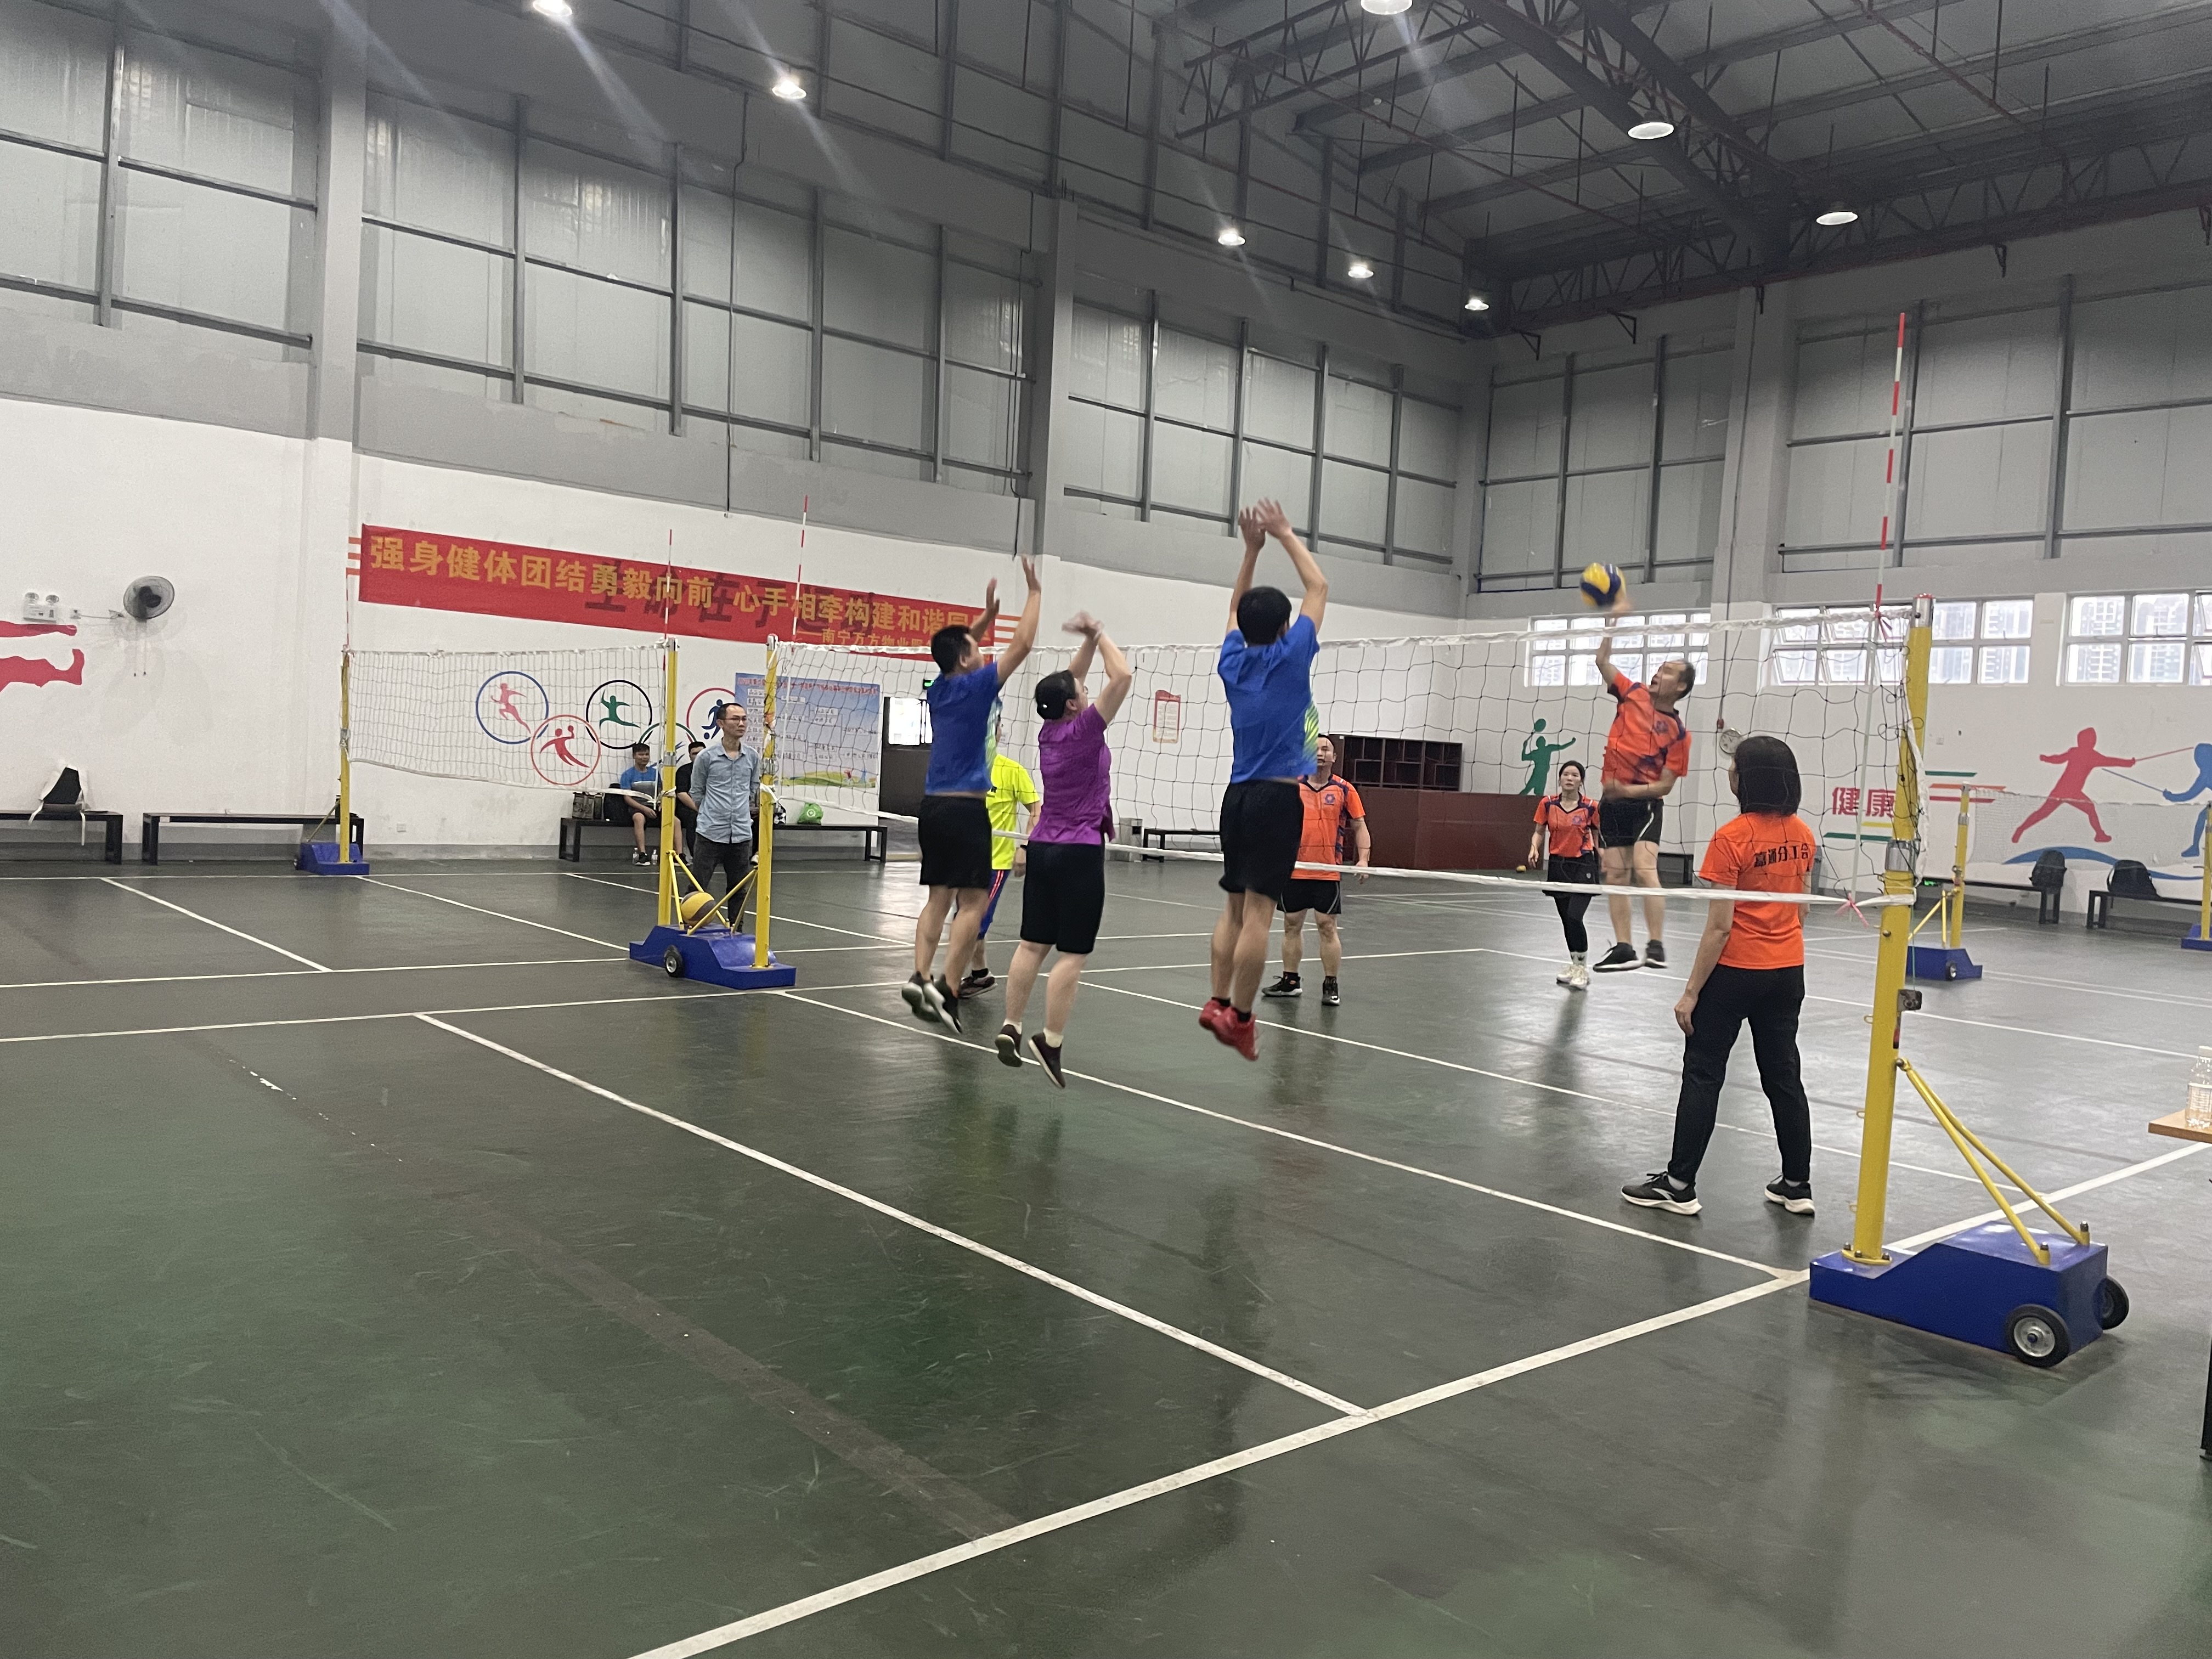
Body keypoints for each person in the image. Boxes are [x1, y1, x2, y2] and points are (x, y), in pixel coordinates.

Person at [1621, 736, 1815, 1218]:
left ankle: (1679, 1184)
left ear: (1747, 779)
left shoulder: (1731, 837)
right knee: (1784, 1077)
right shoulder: (1803, 834)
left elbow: (1721, 927)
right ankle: (1797, 1185)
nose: (1729, 772)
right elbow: (1803, 910)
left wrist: (1691, 992)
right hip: (1787, 972)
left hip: (1736, 973)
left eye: (1734, 766)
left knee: (1703, 1074)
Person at [1203, 499, 1327, 1062]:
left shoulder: (1232, 660)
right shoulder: (1292, 656)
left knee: (1233, 908)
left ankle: (1216, 1001)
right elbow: (1318, 586)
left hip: (1236, 797)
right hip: (1277, 798)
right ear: (1284, 628)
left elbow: (1235, 607)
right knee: (1259, 913)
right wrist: (1284, 534)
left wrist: (1250, 550)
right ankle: (1241, 1017)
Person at [905, 557, 1042, 1032]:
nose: (982, 649)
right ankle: (948, 986)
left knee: (938, 899)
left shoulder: (939, 690)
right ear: (967, 659)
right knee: (973, 903)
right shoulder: (979, 687)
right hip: (966, 811)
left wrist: (985, 618)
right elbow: (1023, 644)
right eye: (977, 646)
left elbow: (960, 648)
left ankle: (920, 975)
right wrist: (1035, 592)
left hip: (932, 808)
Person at [995, 614, 1132, 1086]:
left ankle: (1011, 1025)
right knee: (1072, 953)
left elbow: (1072, 680)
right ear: (1074, 705)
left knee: (1032, 944)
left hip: (1042, 848)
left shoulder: (1049, 731)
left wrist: (1087, 643)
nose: (1087, 691)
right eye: (1081, 693)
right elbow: (1123, 677)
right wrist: (1101, 634)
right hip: (1078, 852)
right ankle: (1050, 1040)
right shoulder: (1085, 730)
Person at [1589, 613, 1692, 972]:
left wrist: (1627, 790)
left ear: (1680, 687)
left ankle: (1656, 945)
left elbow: (1666, 785)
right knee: (1616, 875)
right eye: (1659, 668)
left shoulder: (1679, 733)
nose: (1658, 673)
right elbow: (1602, 661)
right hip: (1612, 805)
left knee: (1646, 870)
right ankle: (1624, 947)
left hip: (1645, 806)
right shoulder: (1631, 693)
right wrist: (1611, 622)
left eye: (1668, 672)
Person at [1260, 736, 1368, 1007]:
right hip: (1295, 869)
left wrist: (1364, 859)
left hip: (1327, 871)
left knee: (1327, 927)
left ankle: (1331, 984)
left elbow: (1359, 825)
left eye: (1326, 749)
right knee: (1291, 924)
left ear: (1334, 757)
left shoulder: (1345, 789)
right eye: (1314, 749)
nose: (1320, 754)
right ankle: (1290, 981)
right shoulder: (1291, 786)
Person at [962, 726, 1041, 994]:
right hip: (966, 859)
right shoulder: (965, 766)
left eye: (993, 728)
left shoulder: (1012, 770)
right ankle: (980, 974)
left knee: (974, 922)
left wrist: (1025, 847)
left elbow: (1036, 810)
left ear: (997, 735)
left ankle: (950, 982)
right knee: (965, 919)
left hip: (996, 862)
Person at [1525, 758, 1600, 990]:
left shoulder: (1591, 807)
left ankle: (1583, 969)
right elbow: (1539, 831)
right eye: (1566, 774)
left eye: (1575, 775)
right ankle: (1575, 965)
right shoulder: (1548, 804)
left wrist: (1605, 858)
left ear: (1581, 781)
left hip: (1584, 865)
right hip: (1558, 866)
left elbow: (1598, 836)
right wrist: (1534, 848)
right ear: (1560, 779)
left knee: (1575, 917)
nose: (1570, 778)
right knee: (1567, 919)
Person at [688, 701, 763, 928]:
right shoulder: (706, 757)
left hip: (741, 834)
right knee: (698, 885)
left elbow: (753, 788)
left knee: (739, 888)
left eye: (744, 719)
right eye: (735, 719)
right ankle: (690, 927)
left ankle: (736, 929)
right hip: (710, 832)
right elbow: (696, 791)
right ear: (721, 723)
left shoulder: (752, 757)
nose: (741, 724)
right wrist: (711, 813)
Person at [611, 741, 661, 866]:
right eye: (641, 755)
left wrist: (662, 804)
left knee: (675, 820)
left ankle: (679, 855)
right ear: (634, 756)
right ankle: (643, 855)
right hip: (637, 807)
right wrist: (644, 809)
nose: (644, 757)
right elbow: (628, 799)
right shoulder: (627, 775)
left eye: (647, 754)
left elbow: (661, 793)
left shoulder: (655, 774)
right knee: (639, 818)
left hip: (654, 807)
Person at [673, 738, 707, 857]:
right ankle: (696, 855)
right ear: (690, 756)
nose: (698, 756)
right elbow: (681, 794)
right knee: (695, 818)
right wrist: (699, 809)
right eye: (695, 754)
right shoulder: (684, 771)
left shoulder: (715, 770)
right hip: (689, 808)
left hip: (710, 806)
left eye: (701, 753)